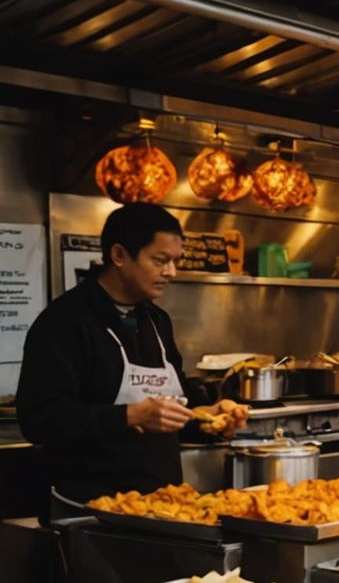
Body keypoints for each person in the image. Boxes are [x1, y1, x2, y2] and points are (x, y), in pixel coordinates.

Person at [18, 203, 248, 502]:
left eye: (175, 261)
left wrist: (209, 420)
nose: (171, 272)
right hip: (91, 511)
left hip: (163, 504)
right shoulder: (64, 322)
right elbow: (39, 420)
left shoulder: (156, 320)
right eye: (160, 260)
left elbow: (174, 410)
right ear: (118, 255)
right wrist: (129, 416)